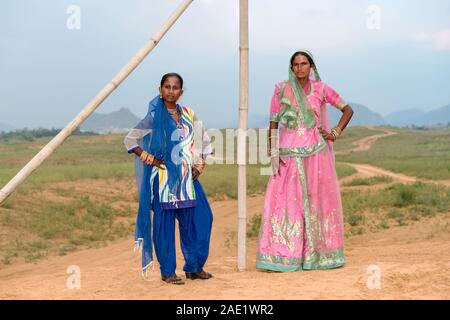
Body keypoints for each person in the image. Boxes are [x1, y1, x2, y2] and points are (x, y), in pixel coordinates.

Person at [256, 50, 354, 272]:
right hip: (288, 155)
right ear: (291, 68)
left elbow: (348, 110)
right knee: (286, 203)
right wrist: (272, 151)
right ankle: (284, 255)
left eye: (304, 63)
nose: (300, 68)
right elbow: (273, 122)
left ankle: (317, 256)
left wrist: (335, 132)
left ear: (311, 66)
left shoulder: (321, 88)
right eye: (296, 64)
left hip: (316, 154)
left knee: (317, 201)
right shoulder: (281, 89)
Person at [124, 73, 214, 284]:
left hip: (187, 180)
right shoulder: (154, 117)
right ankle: (167, 272)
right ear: (160, 90)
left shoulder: (190, 115)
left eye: (175, 88)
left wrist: (199, 167)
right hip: (163, 180)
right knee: (164, 227)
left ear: (181, 92)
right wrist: (150, 159)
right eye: (167, 87)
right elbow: (130, 140)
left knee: (202, 219)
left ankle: (194, 267)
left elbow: (205, 141)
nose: (171, 91)